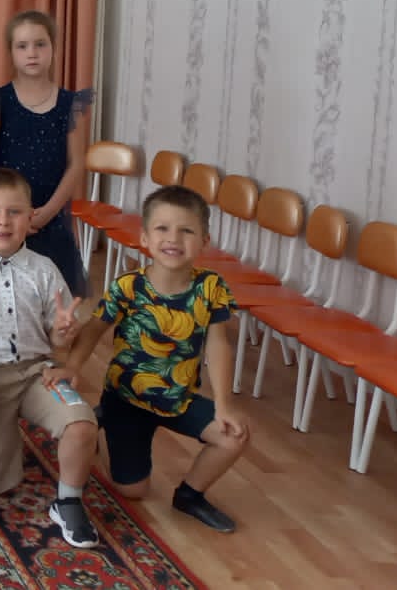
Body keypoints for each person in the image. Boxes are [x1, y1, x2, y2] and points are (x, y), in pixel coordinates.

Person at [45, 185, 249, 533]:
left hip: (178, 398)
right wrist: (72, 367)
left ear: (204, 241)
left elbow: (218, 346)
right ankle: (103, 423)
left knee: (234, 435)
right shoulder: (128, 286)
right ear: (144, 238)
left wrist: (224, 405)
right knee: (134, 490)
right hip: (128, 400)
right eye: (163, 228)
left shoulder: (212, 287)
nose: (174, 239)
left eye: (187, 231)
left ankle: (189, 495)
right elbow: (94, 330)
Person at [0, 168, 99, 548]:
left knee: (82, 425)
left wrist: (64, 330)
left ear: (31, 216)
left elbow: (57, 335)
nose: (3, 221)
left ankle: (69, 502)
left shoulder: (44, 269)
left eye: (14, 212)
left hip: (37, 374)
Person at [0, 10, 93, 296]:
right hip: (6, 218)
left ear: (53, 48)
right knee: (8, 293)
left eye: (40, 44)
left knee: (56, 299)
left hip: (50, 218)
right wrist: (10, 211)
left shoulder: (70, 104)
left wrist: (46, 213)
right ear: (11, 52)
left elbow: (77, 164)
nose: (32, 53)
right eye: (22, 46)